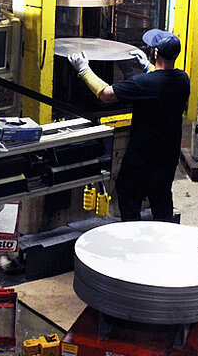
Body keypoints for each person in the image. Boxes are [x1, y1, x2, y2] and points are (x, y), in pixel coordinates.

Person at [68, 29, 190, 222]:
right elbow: (161, 79)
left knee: (128, 195)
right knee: (161, 197)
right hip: (168, 157)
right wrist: (147, 66)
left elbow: (106, 94)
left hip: (143, 158)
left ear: (155, 52)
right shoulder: (183, 80)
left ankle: (131, 234)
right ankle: (166, 233)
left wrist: (83, 69)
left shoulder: (143, 83)